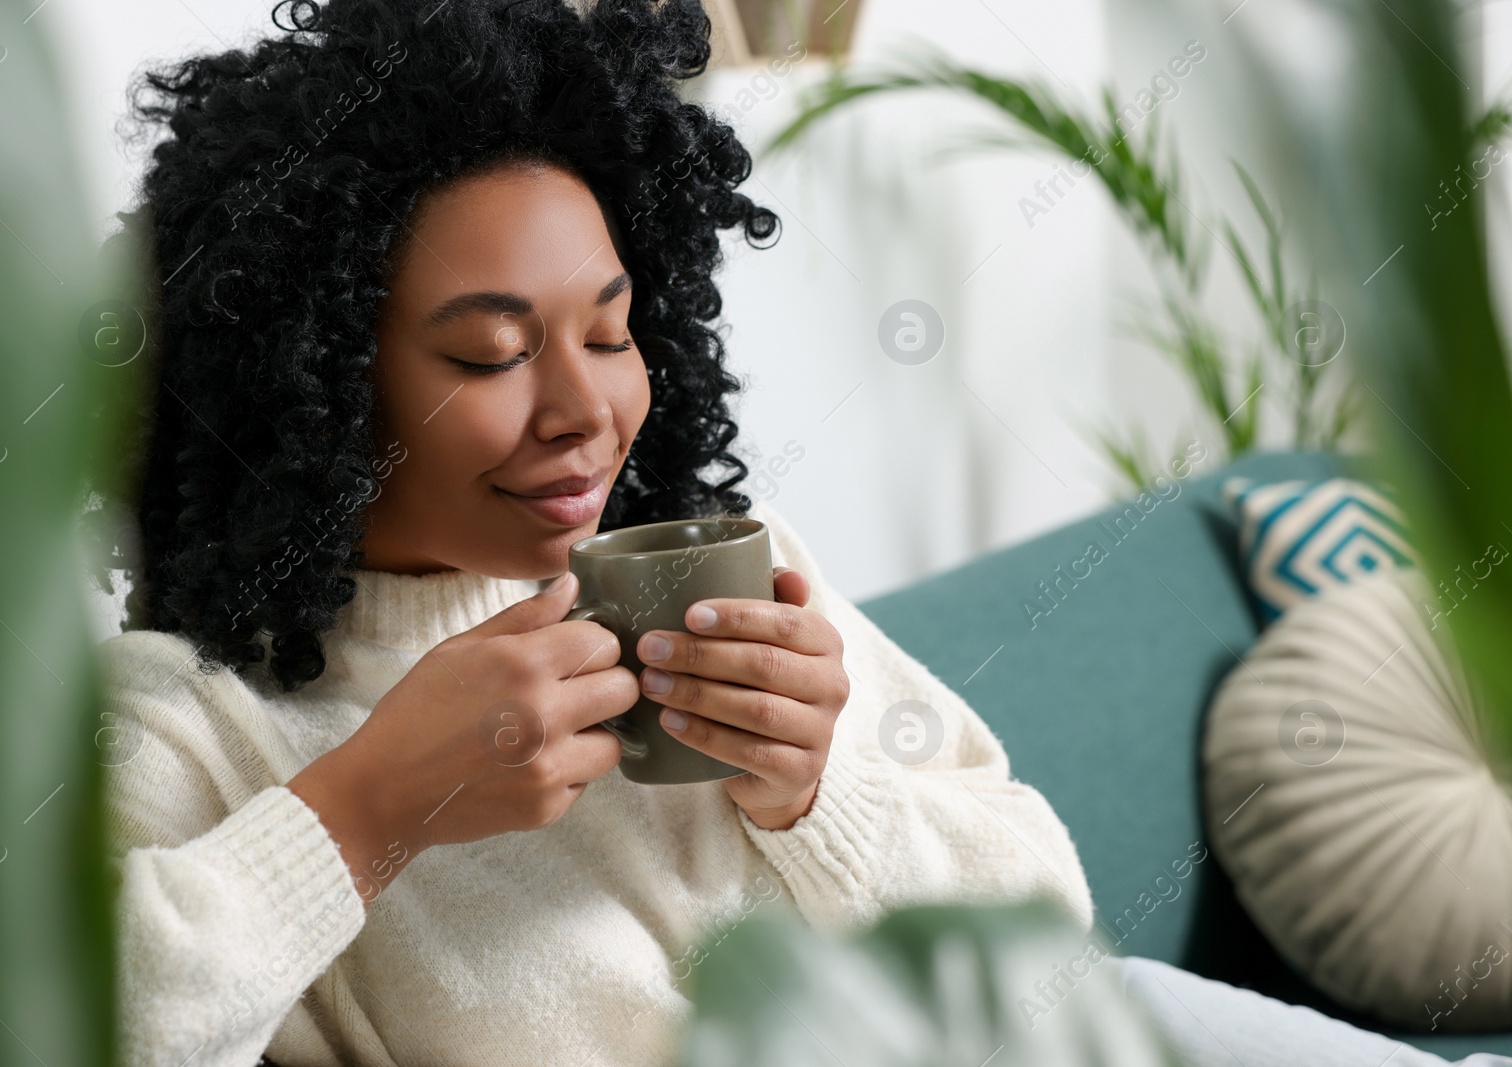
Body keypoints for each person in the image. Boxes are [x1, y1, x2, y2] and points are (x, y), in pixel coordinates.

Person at [93, 1, 1510, 1065]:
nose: (588, 411)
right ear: (313, 378)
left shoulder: (716, 568)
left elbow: (1049, 931)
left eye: (613, 330)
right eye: (488, 356)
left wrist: (820, 790)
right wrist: (365, 810)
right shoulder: (196, 719)